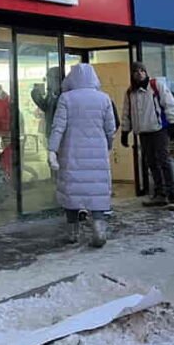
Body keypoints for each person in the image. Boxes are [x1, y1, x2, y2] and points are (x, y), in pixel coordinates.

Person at [46, 63, 117, 248]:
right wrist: (108, 145)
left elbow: (58, 127)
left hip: (72, 152)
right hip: (97, 152)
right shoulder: (104, 99)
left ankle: (73, 232)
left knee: (72, 192)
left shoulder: (66, 98)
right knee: (97, 191)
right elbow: (111, 128)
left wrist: (52, 150)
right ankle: (99, 228)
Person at [121, 62, 174, 209]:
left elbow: (170, 104)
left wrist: (173, 124)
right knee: (151, 163)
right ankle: (160, 193)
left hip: (159, 130)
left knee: (164, 161)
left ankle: (171, 195)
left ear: (146, 72)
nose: (139, 73)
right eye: (136, 71)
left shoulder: (156, 86)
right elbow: (126, 113)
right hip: (143, 132)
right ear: (132, 74)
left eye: (142, 70)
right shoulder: (130, 92)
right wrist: (125, 131)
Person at [30, 67, 62, 138]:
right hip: (50, 131)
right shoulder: (51, 94)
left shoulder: (64, 94)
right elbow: (45, 107)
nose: (47, 82)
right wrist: (36, 94)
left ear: (56, 79)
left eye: (49, 78)